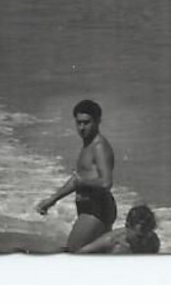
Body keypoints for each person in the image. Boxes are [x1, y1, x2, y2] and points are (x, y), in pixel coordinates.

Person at [35, 98, 117, 252]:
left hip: (96, 210)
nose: (82, 127)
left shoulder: (99, 146)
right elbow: (78, 179)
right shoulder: (88, 144)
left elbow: (106, 182)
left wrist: (83, 183)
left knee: (72, 254)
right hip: (90, 209)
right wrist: (52, 200)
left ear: (98, 121)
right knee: (92, 257)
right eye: (78, 123)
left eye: (87, 122)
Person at [77, 203, 161, 255]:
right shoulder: (111, 242)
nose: (143, 240)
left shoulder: (152, 241)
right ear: (127, 227)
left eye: (147, 235)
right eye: (139, 237)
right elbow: (80, 254)